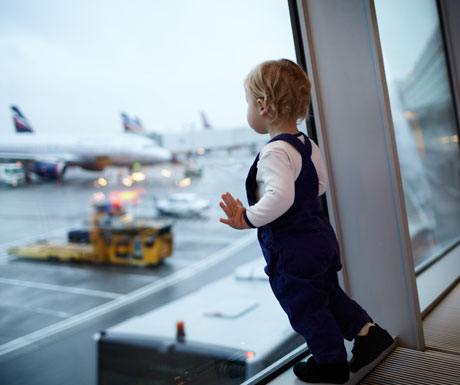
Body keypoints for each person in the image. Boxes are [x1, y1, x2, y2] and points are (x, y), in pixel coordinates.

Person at [219, 59, 394, 384]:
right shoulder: (305, 144)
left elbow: (281, 197)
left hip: (294, 249)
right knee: (327, 293)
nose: (248, 110)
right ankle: (369, 334)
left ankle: (330, 363)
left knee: (305, 306)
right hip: (319, 238)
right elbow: (320, 185)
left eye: (247, 102)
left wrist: (248, 217)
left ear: (263, 106)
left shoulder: (274, 152)